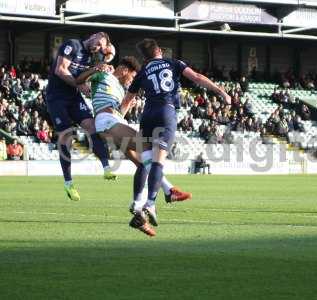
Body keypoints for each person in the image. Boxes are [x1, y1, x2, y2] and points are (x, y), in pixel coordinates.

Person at [124, 38, 231, 236]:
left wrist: (116, 121)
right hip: (166, 112)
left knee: (146, 162)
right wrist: (220, 91)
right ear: (159, 51)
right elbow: (197, 77)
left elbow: (128, 100)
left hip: (147, 115)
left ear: (145, 56)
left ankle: (143, 201)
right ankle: (150, 202)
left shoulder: (142, 72)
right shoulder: (174, 63)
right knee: (158, 162)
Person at [76, 56, 192, 236]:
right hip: (107, 121)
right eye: (131, 76)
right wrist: (95, 69)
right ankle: (167, 191)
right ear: (123, 70)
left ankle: (138, 215)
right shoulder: (104, 75)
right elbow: (79, 80)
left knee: (142, 165)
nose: (131, 80)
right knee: (149, 152)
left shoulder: (121, 90)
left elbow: (117, 107)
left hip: (113, 122)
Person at [46, 32, 117, 202]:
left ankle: (107, 167)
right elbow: (60, 70)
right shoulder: (72, 44)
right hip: (57, 97)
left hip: (74, 97)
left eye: (101, 46)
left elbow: (106, 57)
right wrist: (80, 85)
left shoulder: (92, 57)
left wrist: (107, 60)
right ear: (94, 35)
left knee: (92, 126)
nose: (98, 47)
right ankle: (68, 183)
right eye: (98, 43)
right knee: (67, 137)